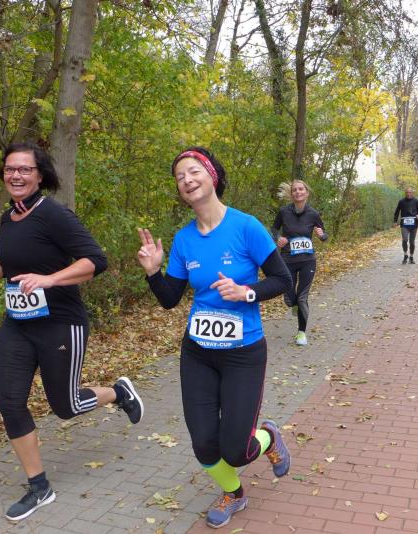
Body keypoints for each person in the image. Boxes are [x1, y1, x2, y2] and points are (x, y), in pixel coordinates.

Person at [0, 143, 144, 522]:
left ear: (40, 175)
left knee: (66, 407)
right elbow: (6, 265)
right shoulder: (8, 218)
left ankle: (118, 392)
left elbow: (96, 260)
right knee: (9, 401)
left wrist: (50, 279)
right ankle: (39, 487)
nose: (15, 175)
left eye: (24, 169)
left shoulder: (53, 214)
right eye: (9, 169)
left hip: (60, 324)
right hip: (18, 325)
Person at [136, 147, 293, 529]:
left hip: (243, 353)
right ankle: (234, 493)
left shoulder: (246, 227)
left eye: (193, 171)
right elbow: (170, 299)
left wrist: (246, 292)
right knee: (204, 444)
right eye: (180, 177)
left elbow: (283, 280)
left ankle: (268, 436)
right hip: (198, 353)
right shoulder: (184, 240)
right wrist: (153, 272)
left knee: (237, 450)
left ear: (212, 175)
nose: (187, 180)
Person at [271, 180, 328, 346]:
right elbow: (274, 229)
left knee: (302, 297)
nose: (298, 192)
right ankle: (294, 304)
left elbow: (324, 236)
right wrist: (278, 238)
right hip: (287, 260)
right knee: (290, 300)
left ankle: (301, 333)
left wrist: (321, 235)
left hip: (307, 261)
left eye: (301, 189)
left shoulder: (313, 214)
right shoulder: (283, 212)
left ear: (306, 192)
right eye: (295, 190)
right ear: (292, 194)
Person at [393, 187, 418, 264]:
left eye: (410, 192)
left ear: (412, 193)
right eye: (407, 192)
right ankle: (405, 255)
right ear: (405, 193)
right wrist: (395, 221)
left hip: (414, 224)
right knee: (404, 239)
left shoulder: (416, 201)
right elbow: (397, 212)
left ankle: (411, 256)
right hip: (404, 224)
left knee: (412, 242)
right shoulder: (401, 201)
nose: (408, 194)